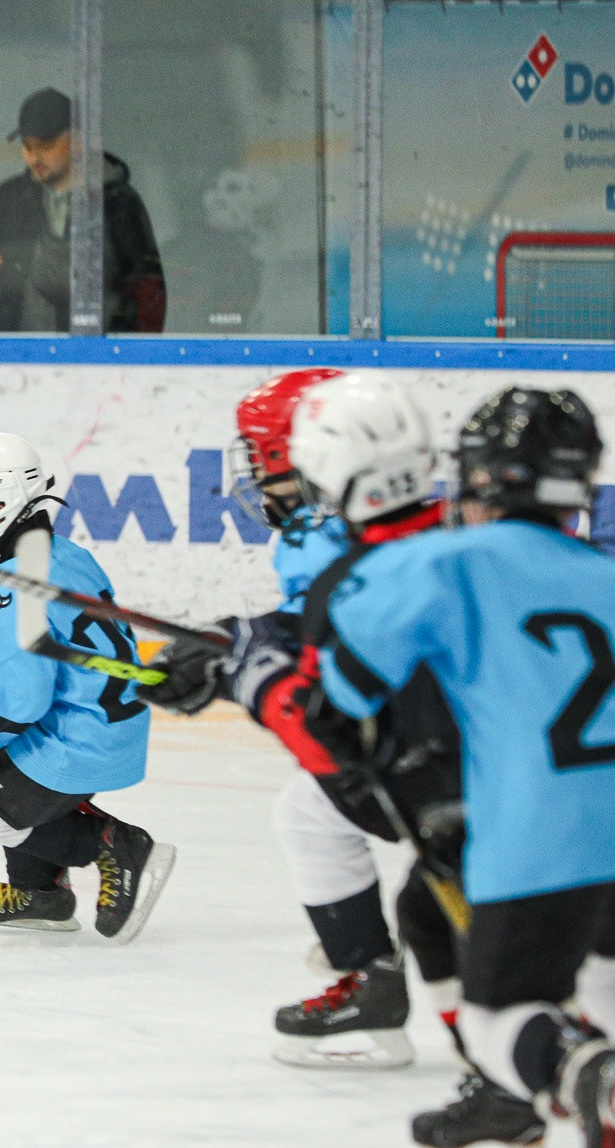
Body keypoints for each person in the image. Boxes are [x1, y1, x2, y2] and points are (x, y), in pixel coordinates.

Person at [203, 386, 615, 1148]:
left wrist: (250, 670)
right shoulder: (603, 572)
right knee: (446, 916)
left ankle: (574, 1078)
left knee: (512, 1019)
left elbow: (337, 709)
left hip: (534, 836)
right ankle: (523, 1093)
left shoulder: (437, 563)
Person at [145, 372, 468, 1075]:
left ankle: (390, 987)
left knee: (324, 809)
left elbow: (330, 665)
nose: (258, 472)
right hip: (483, 742)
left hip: (439, 756)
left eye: (264, 454)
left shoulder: (326, 535)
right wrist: (239, 640)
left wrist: (244, 666)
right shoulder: (411, 523)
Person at [0, 432, 173, 940]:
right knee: (13, 780)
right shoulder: (64, 554)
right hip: (105, 719)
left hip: (76, 735)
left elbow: (19, 700)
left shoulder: (4, 588)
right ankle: (39, 892)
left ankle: (114, 844)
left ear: (0, 506)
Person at [0, 88, 164, 335]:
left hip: (94, 358)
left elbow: (148, 289)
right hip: (16, 357)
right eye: (26, 146)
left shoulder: (118, 202)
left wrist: (126, 353)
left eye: (45, 146)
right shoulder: (10, 197)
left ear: (77, 142)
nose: (33, 157)